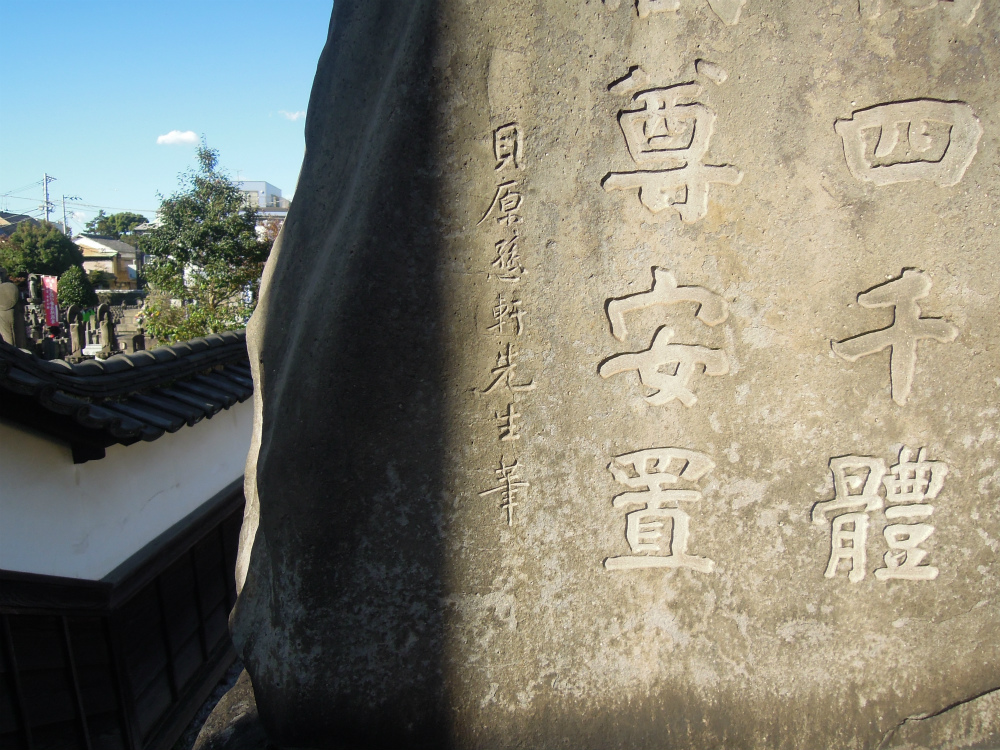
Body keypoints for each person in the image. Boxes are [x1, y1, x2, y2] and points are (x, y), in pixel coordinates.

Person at [0, 267, 28, 348]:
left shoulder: (9, 288)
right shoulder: (10, 287)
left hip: (9, 311)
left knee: (13, 337)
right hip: (7, 312)